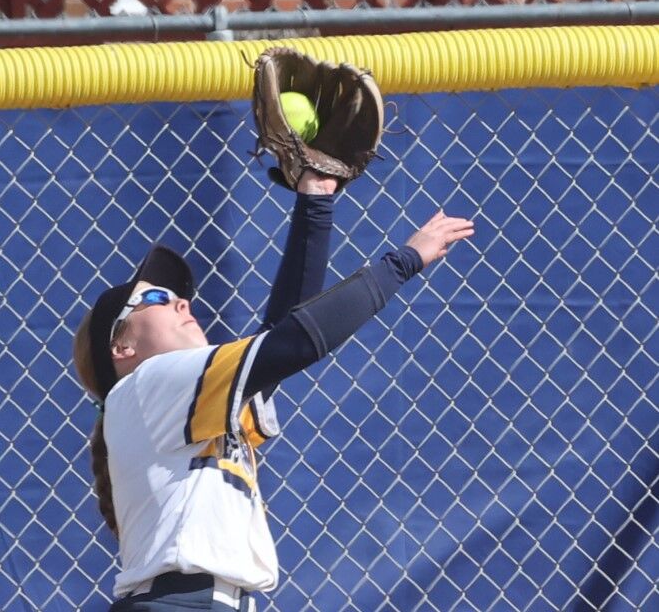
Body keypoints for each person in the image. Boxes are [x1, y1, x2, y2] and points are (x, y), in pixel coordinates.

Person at [73, 168, 474, 611]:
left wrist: (315, 201)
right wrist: (402, 263)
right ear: (121, 347)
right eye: (155, 299)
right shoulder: (145, 388)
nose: (181, 301)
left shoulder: (183, 404)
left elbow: (283, 329)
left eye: (177, 295)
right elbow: (295, 341)